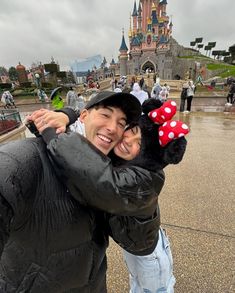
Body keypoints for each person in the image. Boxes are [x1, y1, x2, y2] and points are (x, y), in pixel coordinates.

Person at [30, 99, 189, 293]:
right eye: (132, 131)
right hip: (133, 245)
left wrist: (51, 134)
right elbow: (85, 129)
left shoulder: (147, 179)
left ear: (152, 154)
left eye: (139, 143)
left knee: (155, 289)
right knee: (138, 284)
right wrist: (65, 115)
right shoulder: (122, 160)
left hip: (150, 256)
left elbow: (99, 179)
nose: (127, 141)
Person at [0, 91, 149, 292]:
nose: (113, 128)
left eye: (121, 123)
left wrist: (140, 184)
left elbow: (140, 243)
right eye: (105, 115)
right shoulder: (28, 158)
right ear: (84, 116)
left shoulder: (112, 177)